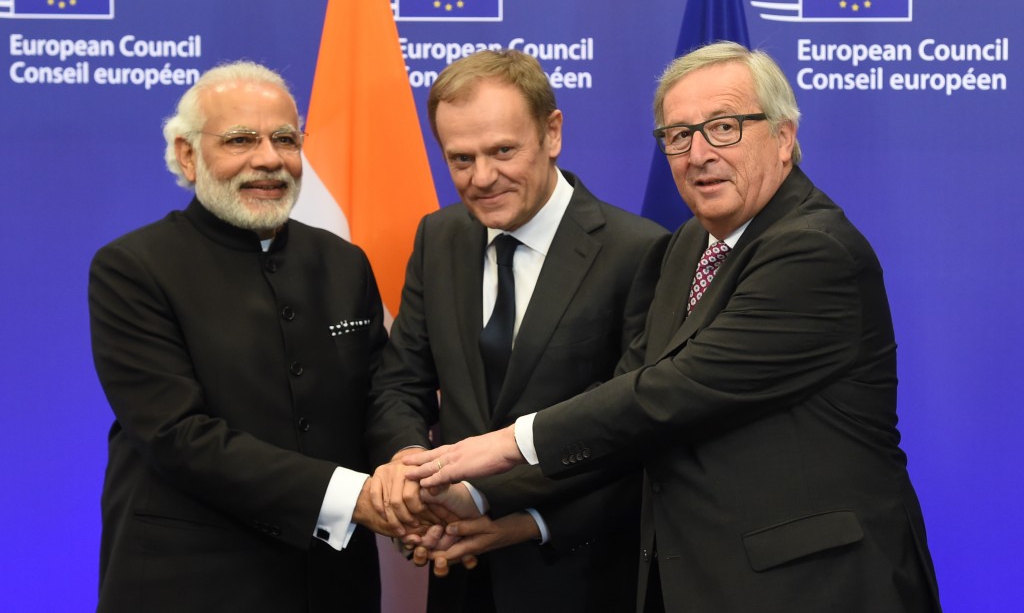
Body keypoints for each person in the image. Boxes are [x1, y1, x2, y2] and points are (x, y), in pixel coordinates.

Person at [405, 42, 943, 612]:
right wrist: (480, 499)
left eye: (724, 128)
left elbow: (669, 394)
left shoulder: (813, 250)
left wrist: (501, 448)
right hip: (703, 579)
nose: (698, 154)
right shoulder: (689, 243)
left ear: (784, 138)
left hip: (816, 586)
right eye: (678, 136)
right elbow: (628, 386)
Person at [364, 49, 669, 613]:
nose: (482, 178)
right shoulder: (439, 237)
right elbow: (399, 384)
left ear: (552, 133)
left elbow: (636, 435)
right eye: (460, 159)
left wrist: (508, 513)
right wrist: (413, 471)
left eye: (503, 150)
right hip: (456, 572)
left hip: (580, 576)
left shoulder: (638, 252)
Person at [88, 61, 396, 612]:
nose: (269, 160)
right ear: (188, 156)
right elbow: (176, 435)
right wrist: (354, 496)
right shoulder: (132, 268)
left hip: (333, 583)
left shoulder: (343, 262)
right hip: (189, 581)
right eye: (240, 140)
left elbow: (381, 397)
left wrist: (405, 473)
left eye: (285, 139)